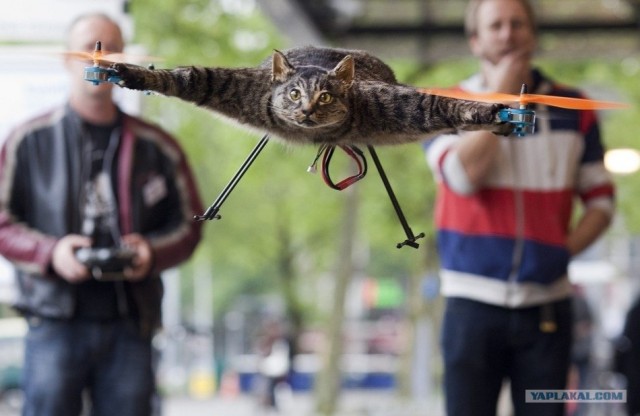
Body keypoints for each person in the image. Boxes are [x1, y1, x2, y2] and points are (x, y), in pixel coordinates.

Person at [0, 13, 203, 416]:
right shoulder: (27, 141)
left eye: (111, 48)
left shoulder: (159, 147)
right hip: (53, 319)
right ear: (66, 58)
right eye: (91, 45)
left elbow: (190, 225)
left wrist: (151, 253)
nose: (100, 57)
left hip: (131, 321)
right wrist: (51, 253)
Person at [424, 0, 615, 415]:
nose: (508, 34)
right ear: (475, 41)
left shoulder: (574, 108)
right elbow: (461, 176)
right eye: (496, 26)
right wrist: (505, 94)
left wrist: (561, 251)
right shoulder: (441, 105)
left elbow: (601, 201)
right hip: (470, 304)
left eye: (517, 24)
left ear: (533, 33)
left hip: (547, 306)